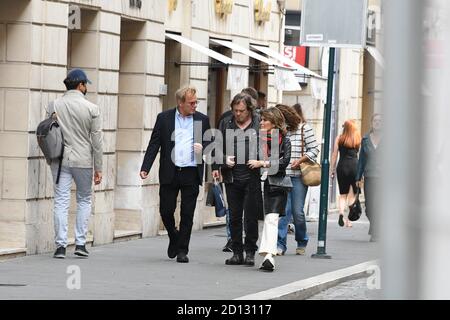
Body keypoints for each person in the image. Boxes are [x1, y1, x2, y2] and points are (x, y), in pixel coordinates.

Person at [140, 85, 211, 263]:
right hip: (170, 171)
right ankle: (173, 235)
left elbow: (211, 144)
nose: (195, 106)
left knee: (187, 213)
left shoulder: (202, 120)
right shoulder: (164, 118)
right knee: (165, 211)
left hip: (191, 172)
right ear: (181, 103)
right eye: (192, 103)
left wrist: (203, 149)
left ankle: (182, 250)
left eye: (196, 102)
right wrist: (145, 167)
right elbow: (154, 144)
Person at [49, 68, 103, 259]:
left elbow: (50, 132)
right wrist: (99, 168)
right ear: (80, 85)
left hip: (60, 159)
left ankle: (60, 246)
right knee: (84, 200)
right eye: (85, 84)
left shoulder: (54, 105)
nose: (86, 86)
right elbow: (97, 141)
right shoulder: (92, 108)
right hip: (83, 160)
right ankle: (80, 243)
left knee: (61, 202)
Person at [212, 93, 261, 266]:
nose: (238, 114)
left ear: (249, 110)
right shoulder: (226, 122)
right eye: (235, 110)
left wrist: (261, 161)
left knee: (250, 217)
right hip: (232, 177)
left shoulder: (259, 122)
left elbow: (269, 146)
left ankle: (250, 252)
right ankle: (237, 253)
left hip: (252, 177)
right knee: (233, 217)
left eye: (241, 111)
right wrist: (221, 162)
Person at [248, 107, 291, 271]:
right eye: (261, 120)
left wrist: (263, 163)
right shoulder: (256, 139)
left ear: (274, 122)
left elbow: (284, 162)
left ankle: (269, 257)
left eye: (265, 120)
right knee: (262, 222)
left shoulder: (284, 140)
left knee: (272, 219)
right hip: (256, 183)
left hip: (275, 184)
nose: (262, 122)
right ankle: (266, 254)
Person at [276, 104, 319, 256]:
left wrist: (300, 160)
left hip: (299, 176)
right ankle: (280, 245)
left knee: (297, 212)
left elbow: (314, 149)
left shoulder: (304, 128)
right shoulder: (279, 131)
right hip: (282, 176)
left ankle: (302, 240)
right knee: (283, 212)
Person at [331, 120, 362, 228]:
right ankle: (349, 219)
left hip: (342, 167)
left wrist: (332, 169)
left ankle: (340, 214)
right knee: (352, 194)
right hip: (354, 166)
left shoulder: (339, 138)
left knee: (343, 194)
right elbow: (361, 155)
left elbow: (334, 154)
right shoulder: (357, 138)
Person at [356, 114, 382, 242]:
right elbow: (361, 159)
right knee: (369, 206)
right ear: (372, 123)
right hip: (370, 175)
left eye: (380, 121)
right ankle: (375, 226)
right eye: (375, 121)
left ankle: (376, 231)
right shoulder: (365, 139)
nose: (377, 123)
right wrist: (358, 176)